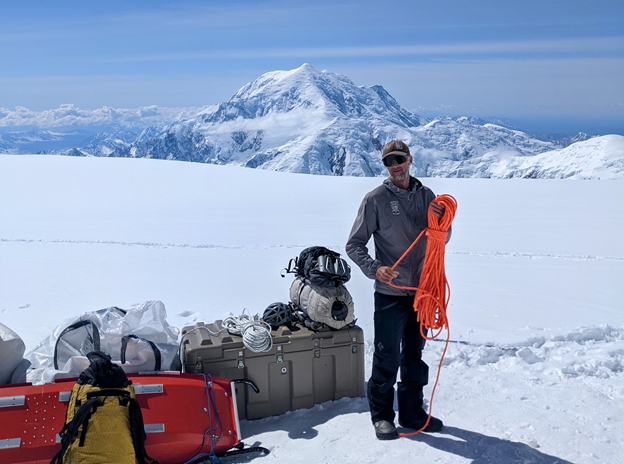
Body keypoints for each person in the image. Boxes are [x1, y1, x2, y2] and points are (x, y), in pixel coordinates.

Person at [346, 140, 450, 440]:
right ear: (385, 165)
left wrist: (443, 221)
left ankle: (412, 412)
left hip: (423, 291)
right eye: (389, 161)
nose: (395, 165)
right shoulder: (375, 199)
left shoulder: (428, 196)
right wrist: (375, 268)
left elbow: (441, 238)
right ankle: (381, 416)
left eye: (399, 159)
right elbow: (354, 244)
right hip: (391, 294)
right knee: (387, 355)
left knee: (414, 355)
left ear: (410, 160)